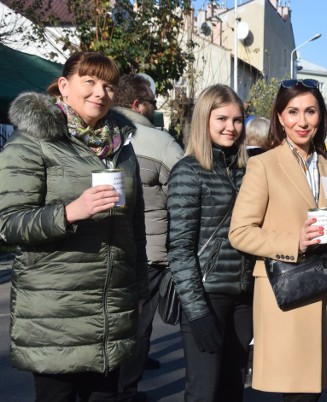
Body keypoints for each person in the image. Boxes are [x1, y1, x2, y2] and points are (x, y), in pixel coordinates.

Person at [0, 51, 147, 401]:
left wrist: (139, 288)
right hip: (56, 314)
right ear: (65, 86)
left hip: (111, 308)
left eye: (109, 86)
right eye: (91, 82)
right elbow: (8, 223)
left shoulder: (121, 148)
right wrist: (68, 212)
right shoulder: (32, 142)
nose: (101, 93)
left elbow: (134, 226)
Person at [228, 78, 327, 402]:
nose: (302, 121)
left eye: (310, 111)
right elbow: (240, 232)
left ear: (321, 116)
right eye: (293, 112)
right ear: (280, 118)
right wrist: (294, 242)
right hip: (284, 289)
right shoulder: (263, 165)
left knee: (312, 391)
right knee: (296, 391)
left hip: (324, 288)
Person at [167, 84, 254, 402]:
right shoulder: (188, 172)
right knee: (204, 391)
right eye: (222, 119)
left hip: (244, 297)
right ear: (204, 119)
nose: (231, 127)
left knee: (233, 390)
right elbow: (179, 249)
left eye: (237, 120)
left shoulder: (247, 171)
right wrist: (197, 313)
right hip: (207, 296)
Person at [113, 74, 184, 402]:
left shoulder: (96, 134)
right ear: (138, 104)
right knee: (140, 322)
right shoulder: (161, 142)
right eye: (153, 103)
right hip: (150, 250)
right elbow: (183, 194)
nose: (155, 109)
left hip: (104, 248)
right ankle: (126, 391)